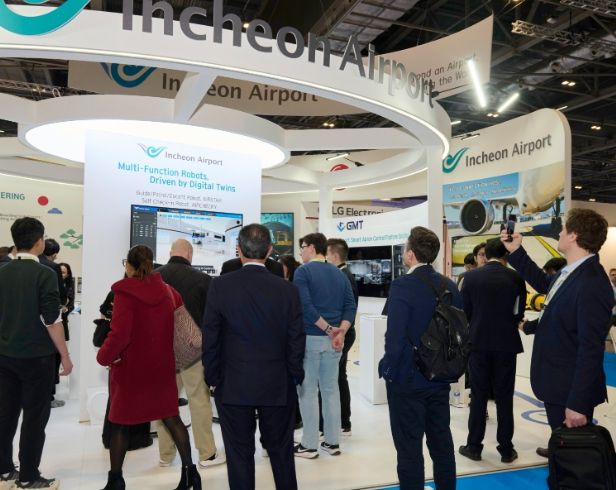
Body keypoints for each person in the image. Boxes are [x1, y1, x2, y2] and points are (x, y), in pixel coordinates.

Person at [501, 208, 612, 460]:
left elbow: (590, 349)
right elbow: (544, 284)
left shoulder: (591, 283)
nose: (559, 233)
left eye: (563, 229)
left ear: (573, 236)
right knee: (565, 453)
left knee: (574, 463)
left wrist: (578, 403)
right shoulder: (572, 272)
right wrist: (516, 251)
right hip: (558, 384)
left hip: (569, 390)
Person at [202, 224, 305, 490]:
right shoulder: (288, 290)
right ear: (269, 251)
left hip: (233, 384)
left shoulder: (220, 286)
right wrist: (294, 376)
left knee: (239, 455)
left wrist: (213, 378)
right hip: (277, 384)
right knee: (282, 454)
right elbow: (296, 339)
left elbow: (211, 337)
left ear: (239, 250)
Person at [96, 245, 201, 490]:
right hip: (162, 368)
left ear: (128, 265)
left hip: (131, 370)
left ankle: (115, 480)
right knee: (172, 418)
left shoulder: (125, 293)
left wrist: (103, 356)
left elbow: (120, 335)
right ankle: (191, 475)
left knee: (120, 424)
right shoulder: (169, 292)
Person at [378, 226, 460, 490]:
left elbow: (394, 337)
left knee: (409, 449)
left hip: (407, 380)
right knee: (442, 444)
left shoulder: (402, 285)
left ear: (410, 254)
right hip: (440, 377)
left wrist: (387, 370)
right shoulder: (449, 285)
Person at [0, 217, 73, 490]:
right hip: (37, 358)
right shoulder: (45, 273)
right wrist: (65, 355)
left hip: (5, 355)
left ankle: (4, 471)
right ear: (39, 242)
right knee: (34, 418)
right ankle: (28, 477)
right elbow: (52, 320)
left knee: (5, 414)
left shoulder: (2, 271)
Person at [155, 239, 225, 469]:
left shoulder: (153, 277)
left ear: (171, 253)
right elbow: (211, 319)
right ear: (190, 254)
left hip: (162, 351)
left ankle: (165, 454)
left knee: (165, 402)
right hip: (194, 352)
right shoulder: (203, 279)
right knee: (199, 400)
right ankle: (206, 453)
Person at [458, 238, 526, 464]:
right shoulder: (516, 278)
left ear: (485, 255)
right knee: (504, 397)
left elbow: (465, 311)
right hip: (506, 344)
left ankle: (474, 446)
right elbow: (518, 312)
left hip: (478, 343)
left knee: (478, 395)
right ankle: (506, 449)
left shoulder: (470, 277)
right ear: (505, 255)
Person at [293, 233, 356, 459]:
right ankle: (332, 441)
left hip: (311, 338)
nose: (301, 251)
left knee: (308, 391)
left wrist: (330, 329)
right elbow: (350, 306)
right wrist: (340, 331)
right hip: (334, 342)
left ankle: (310, 444)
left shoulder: (303, 272)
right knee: (331, 390)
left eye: (302, 247)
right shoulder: (339, 273)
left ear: (311, 248)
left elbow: (306, 307)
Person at [99, 285, 153, 452]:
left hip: (119, 354)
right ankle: (138, 438)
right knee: (138, 396)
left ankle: (112, 438)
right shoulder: (147, 294)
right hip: (139, 352)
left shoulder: (116, 293)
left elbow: (104, 315)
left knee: (118, 399)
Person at [322, 238, 358, 436]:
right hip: (343, 333)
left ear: (334, 256)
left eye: (326, 254)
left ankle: (341, 422)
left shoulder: (343, 276)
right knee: (339, 377)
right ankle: (343, 422)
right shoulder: (344, 274)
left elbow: (347, 310)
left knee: (335, 378)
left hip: (342, 333)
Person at [39, 239, 69, 408]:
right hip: (50, 319)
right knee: (51, 359)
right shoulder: (52, 267)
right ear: (55, 253)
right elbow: (61, 295)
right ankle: (49, 397)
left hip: (30, 325)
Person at [58, 263, 75, 344]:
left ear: (67, 275)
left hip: (62, 319)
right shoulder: (50, 283)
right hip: (50, 320)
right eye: (59, 272)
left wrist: (66, 309)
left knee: (63, 346)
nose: (60, 274)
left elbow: (71, 304)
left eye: (63, 272)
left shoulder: (69, 285)